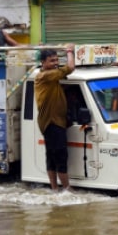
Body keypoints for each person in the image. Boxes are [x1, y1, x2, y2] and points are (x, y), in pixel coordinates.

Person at [35, 45, 75, 191]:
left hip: (53, 122)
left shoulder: (52, 77)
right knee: (59, 156)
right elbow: (70, 68)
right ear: (43, 62)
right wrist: (70, 51)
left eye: (57, 60)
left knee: (52, 156)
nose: (55, 63)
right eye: (52, 61)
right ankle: (67, 189)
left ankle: (55, 189)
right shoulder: (45, 76)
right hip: (52, 122)